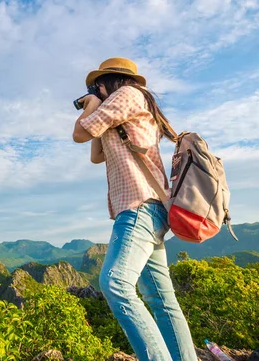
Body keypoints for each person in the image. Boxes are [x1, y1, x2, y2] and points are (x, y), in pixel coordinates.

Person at [72, 57, 198, 361]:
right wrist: (96, 108)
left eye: (95, 86)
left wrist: (90, 103)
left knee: (114, 283)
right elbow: (95, 156)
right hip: (150, 209)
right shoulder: (122, 106)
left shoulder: (127, 96)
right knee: (161, 299)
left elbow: (78, 133)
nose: (94, 91)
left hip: (138, 207)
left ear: (108, 82)